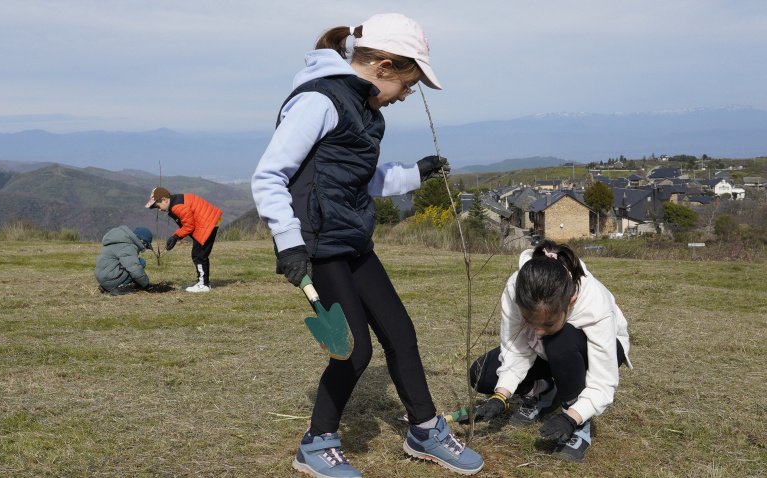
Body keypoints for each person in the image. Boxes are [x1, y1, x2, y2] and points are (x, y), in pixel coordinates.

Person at [251, 13, 483, 477]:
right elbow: (269, 175)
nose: (408, 95)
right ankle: (316, 445)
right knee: (354, 350)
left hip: (352, 239)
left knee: (400, 332)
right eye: (408, 83)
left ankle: (424, 429)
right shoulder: (319, 101)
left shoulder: (363, 109)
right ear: (382, 66)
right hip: (317, 245)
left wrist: (417, 171)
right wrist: (289, 244)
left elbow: (361, 178)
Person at [467, 240, 632, 463]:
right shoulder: (518, 288)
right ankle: (546, 392)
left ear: (571, 302)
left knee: (559, 340)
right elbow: (514, 348)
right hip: (547, 352)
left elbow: (603, 381)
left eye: (547, 324)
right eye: (530, 321)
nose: (537, 331)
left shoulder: (594, 303)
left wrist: (571, 418)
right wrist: (501, 395)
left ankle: (579, 425)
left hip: (594, 351)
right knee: (482, 375)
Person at [145, 186, 223, 293]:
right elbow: (186, 223)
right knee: (200, 254)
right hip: (209, 221)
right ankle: (203, 282)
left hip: (207, 223)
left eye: (157, 206)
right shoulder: (175, 202)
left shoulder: (177, 207)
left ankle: (203, 284)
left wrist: (176, 237)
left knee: (199, 255)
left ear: (164, 200)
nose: (159, 209)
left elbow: (189, 226)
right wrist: (175, 236)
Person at [95, 226, 154, 295]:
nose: (145, 248)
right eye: (146, 245)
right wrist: (146, 284)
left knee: (132, 263)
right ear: (141, 240)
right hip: (108, 278)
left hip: (102, 277)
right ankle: (119, 287)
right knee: (141, 262)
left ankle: (106, 286)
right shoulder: (128, 247)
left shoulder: (120, 241)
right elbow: (134, 268)